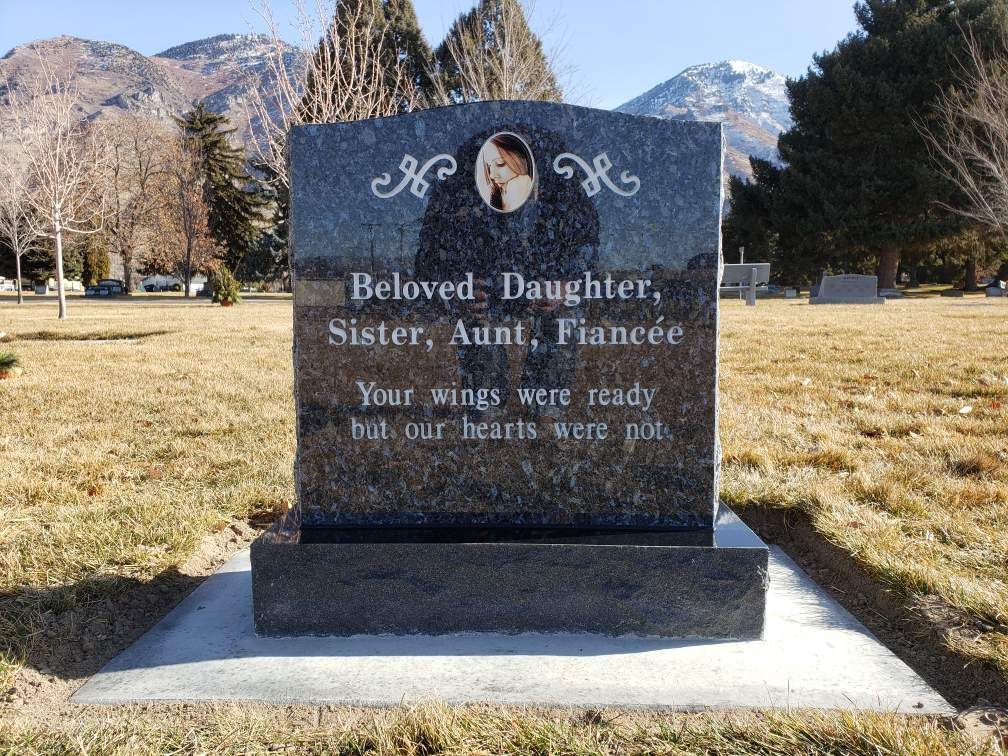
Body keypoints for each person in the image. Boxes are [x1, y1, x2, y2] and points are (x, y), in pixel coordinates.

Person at [478, 133, 535, 213]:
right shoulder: (496, 195)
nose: (491, 175)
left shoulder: (522, 183)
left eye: (500, 163)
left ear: (522, 159)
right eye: (489, 165)